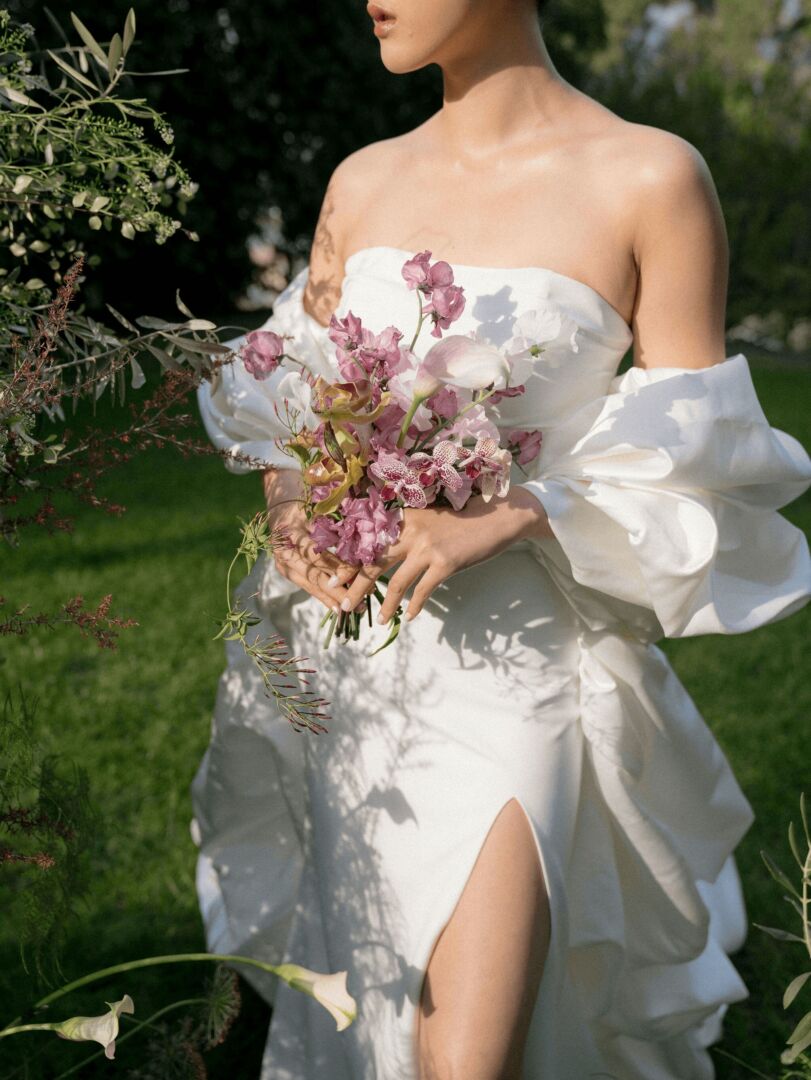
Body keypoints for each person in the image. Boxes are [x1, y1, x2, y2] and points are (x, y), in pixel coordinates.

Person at [189, 1, 811, 1077]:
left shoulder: (651, 178)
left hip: (523, 671)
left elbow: (695, 452)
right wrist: (293, 509)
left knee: (467, 1057)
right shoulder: (361, 181)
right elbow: (285, 393)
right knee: (377, 1014)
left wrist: (522, 508)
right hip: (358, 675)